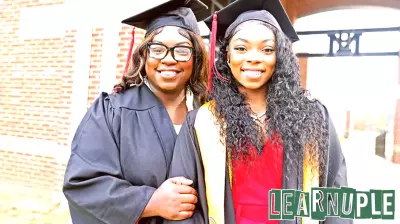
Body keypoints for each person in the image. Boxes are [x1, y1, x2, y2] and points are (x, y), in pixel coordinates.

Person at [167, 0, 351, 223]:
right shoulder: (202, 122)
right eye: (241, 48)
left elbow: (335, 194)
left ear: (279, 56)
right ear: (227, 56)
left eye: (267, 49)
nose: (253, 57)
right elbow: (184, 206)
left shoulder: (312, 117)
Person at [62, 0, 210, 223]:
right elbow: (82, 184)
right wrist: (150, 202)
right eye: (158, 49)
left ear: (196, 57)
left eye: (182, 50)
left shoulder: (210, 117)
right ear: (144, 56)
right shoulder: (111, 111)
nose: (168, 59)